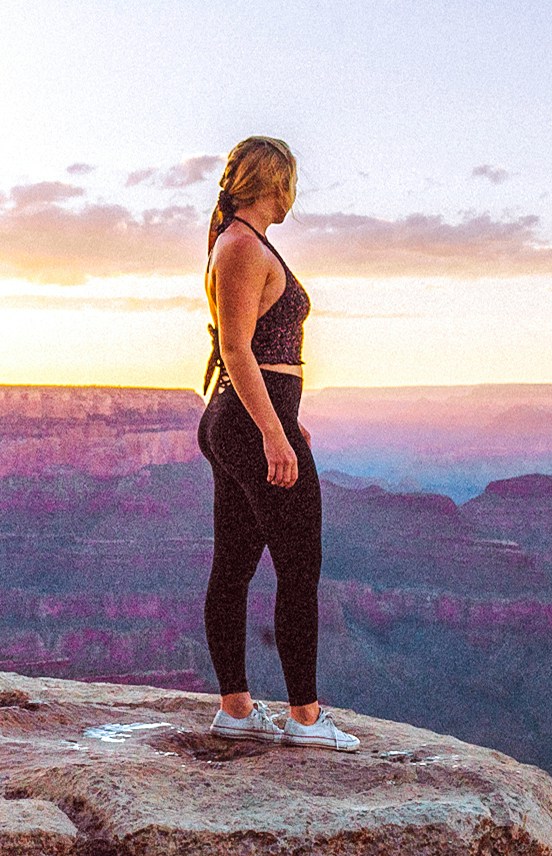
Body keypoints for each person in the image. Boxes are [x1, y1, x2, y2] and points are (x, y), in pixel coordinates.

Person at [197, 135, 357, 751]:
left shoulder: (247, 244)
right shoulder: (240, 246)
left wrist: (288, 418)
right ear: (274, 183)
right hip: (247, 423)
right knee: (299, 566)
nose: (295, 194)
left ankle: (237, 710)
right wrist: (273, 432)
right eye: (292, 182)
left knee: (235, 565)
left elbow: (259, 350)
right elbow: (237, 348)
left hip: (246, 418)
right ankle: (306, 717)